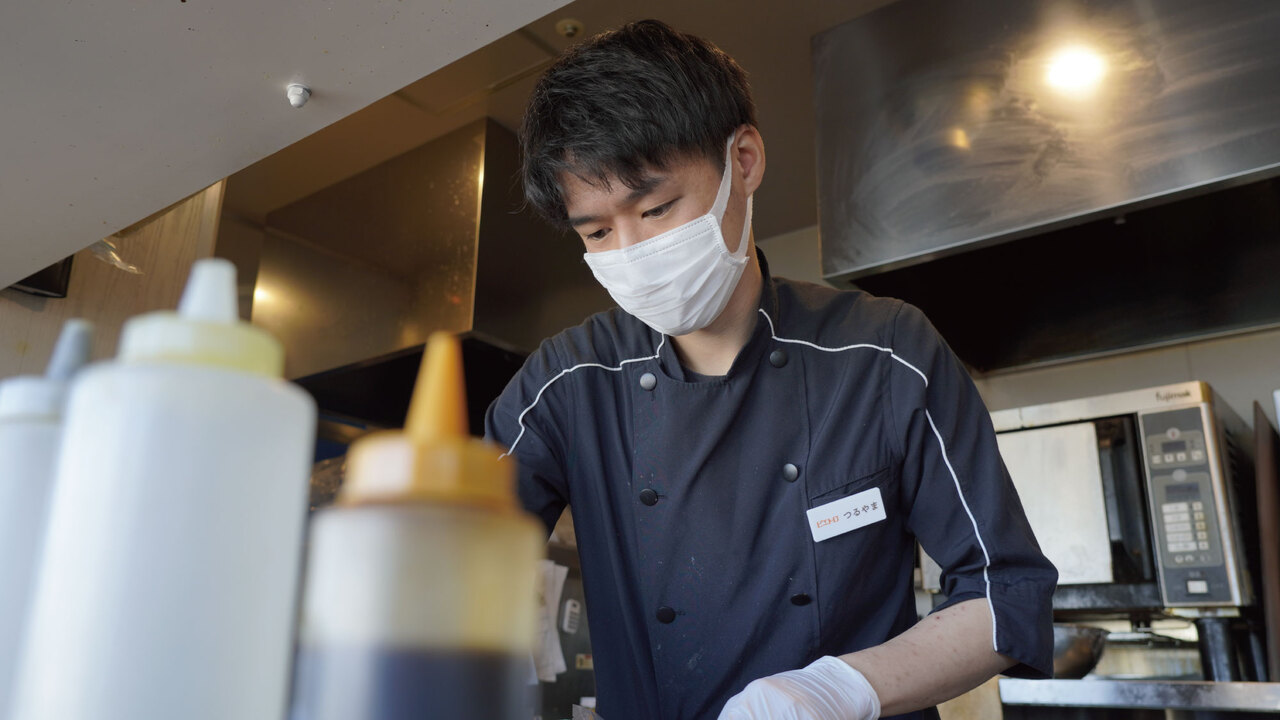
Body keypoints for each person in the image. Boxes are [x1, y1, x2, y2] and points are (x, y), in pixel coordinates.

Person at [485, 19, 1057, 720]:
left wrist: (836, 690)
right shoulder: (567, 383)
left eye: (658, 208)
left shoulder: (885, 353)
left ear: (745, 160)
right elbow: (446, 561)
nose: (631, 251)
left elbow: (1006, 594)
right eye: (598, 232)